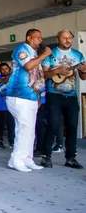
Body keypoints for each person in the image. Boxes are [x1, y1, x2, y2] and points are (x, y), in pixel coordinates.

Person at [6, 29, 49, 172]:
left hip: (30, 96)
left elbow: (37, 75)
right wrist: (44, 55)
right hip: (18, 95)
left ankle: (27, 158)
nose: (40, 41)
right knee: (24, 128)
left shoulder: (34, 53)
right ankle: (16, 159)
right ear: (28, 38)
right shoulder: (21, 49)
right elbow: (28, 66)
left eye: (41, 38)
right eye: (37, 38)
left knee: (30, 130)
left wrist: (38, 96)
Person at [41, 30, 85, 169]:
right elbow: (44, 74)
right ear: (58, 38)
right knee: (53, 125)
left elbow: (83, 77)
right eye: (64, 38)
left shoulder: (78, 55)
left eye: (69, 38)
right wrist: (56, 71)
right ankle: (46, 156)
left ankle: (71, 158)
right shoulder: (51, 53)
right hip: (53, 95)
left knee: (72, 127)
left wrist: (84, 70)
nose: (67, 40)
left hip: (71, 96)